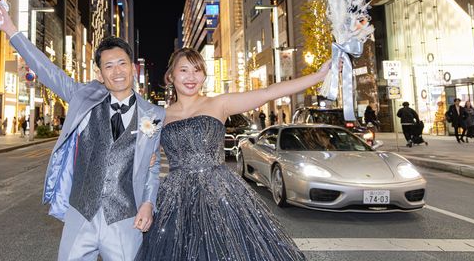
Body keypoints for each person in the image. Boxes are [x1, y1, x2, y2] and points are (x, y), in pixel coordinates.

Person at [0, 4, 165, 261]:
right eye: (109, 66)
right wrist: (10, 29)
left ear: (133, 68)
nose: (117, 71)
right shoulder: (83, 97)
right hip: (81, 215)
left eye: (122, 64)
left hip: (125, 220)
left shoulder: (154, 114)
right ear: (100, 74)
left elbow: (153, 165)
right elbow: (47, 71)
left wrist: (148, 203)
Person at [135, 48, 330, 261]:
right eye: (184, 70)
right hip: (176, 201)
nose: (191, 77)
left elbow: (268, 92)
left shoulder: (219, 103)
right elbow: (140, 154)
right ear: (171, 76)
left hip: (220, 194)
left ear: (204, 76)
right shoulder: (158, 116)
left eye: (197, 70)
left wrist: (318, 76)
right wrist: (145, 159)